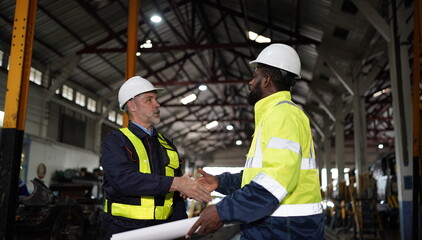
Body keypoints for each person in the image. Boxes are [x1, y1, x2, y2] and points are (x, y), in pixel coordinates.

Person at [186, 44, 324, 239]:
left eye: (255, 76)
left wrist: (223, 211)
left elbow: (274, 181)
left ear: (266, 80)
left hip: (283, 230)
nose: (250, 82)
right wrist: (220, 182)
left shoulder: (282, 115)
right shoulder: (274, 116)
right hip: (276, 226)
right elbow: (260, 175)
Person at [99, 76, 211, 240]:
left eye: (156, 99)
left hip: (164, 231)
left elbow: (175, 196)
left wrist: (182, 229)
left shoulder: (167, 145)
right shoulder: (116, 140)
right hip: (124, 230)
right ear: (132, 105)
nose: (157, 104)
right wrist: (177, 183)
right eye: (149, 100)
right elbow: (122, 180)